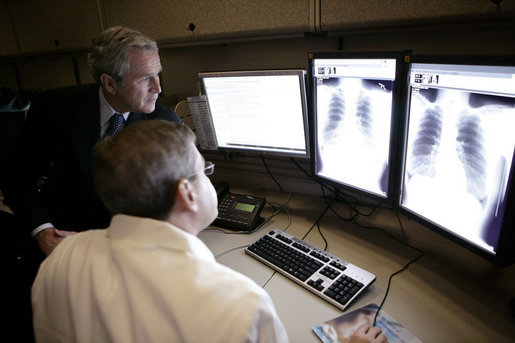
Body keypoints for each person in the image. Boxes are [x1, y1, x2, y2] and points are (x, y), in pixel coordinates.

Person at [31, 120, 289, 342]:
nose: (209, 178)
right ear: (187, 193)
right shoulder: (243, 305)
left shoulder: (61, 258)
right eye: (204, 170)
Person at [2, 26, 182, 257]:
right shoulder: (55, 109)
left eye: (158, 74)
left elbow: (172, 201)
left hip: (129, 248)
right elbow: (16, 179)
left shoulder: (166, 123)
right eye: (145, 78)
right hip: (64, 244)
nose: (158, 87)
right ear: (109, 84)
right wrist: (43, 231)